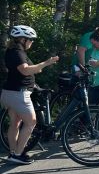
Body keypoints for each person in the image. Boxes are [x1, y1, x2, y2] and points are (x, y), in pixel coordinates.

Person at [1, 25, 58, 165]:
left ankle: (13, 152)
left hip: (9, 92)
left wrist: (37, 68)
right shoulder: (17, 53)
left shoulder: (14, 51)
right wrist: (47, 63)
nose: (32, 42)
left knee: (15, 123)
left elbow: (30, 69)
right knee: (31, 122)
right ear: (23, 39)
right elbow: (25, 71)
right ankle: (18, 154)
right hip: (19, 94)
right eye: (31, 40)